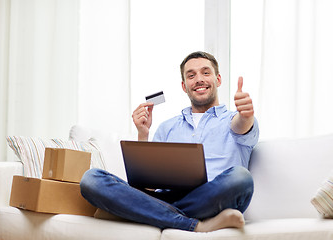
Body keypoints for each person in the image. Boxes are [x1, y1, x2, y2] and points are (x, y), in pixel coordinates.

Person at [80, 51, 259, 232]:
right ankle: (194, 224)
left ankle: (138, 213)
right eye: (191, 75)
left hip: (209, 198)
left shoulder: (234, 119)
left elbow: (241, 125)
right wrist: (143, 133)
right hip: (163, 198)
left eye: (206, 73)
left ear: (218, 79)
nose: (198, 79)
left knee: (241, 178)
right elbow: (146, 186)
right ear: (184, 86)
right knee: (91, 180)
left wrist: (246, 115)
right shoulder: (167, 127)